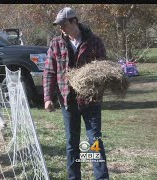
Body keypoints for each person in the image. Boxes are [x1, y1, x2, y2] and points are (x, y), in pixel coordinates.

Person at [43, 7, 109, 180]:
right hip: (67, 100)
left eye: (63, 24)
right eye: (59, 25)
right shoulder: (56, 43)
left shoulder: (94, 42)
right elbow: (49, 72)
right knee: (72, 143)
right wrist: (48, 97)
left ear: (74, 21)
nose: (61, 28)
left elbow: (103, 70)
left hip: (90, 100)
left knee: (93, 141)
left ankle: (100, 177)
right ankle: (74, 177)